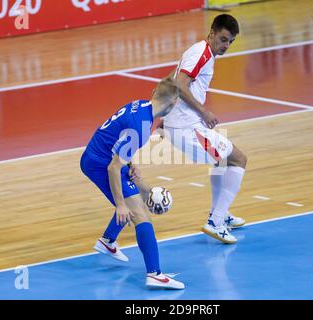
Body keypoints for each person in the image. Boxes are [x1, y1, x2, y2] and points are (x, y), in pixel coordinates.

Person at [80, 77, 184, 289]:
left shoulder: (139, 105)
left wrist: (131, 161)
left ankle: (108, 241)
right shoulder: (142, 128)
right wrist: (120, 205)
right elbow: (113, 168)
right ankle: (154, 274)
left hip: (100, 154)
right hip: (100, 163)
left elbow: (120, 139)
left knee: (139, 192)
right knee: (141, 214)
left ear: (154, 92)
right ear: (173, 105)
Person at [162, 14, 247, 244]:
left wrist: (163, 116)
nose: (226, 45)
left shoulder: (203, 52)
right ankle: (216, 221)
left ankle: (220, 214)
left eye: (230, 42)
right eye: (223, 39)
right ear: (211, 33)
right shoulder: (201, 53)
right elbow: (179, 84)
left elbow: (169, 81)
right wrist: (204, 111)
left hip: (183, 125)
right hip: (187, 128)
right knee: (238, 160)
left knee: (220, 161)